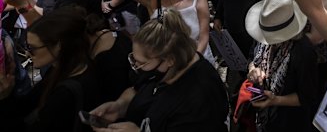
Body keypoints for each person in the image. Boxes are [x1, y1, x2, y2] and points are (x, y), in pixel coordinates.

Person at [90, 9, 229, 131]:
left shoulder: (200, 98)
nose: (137, 67)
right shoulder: (161, 70)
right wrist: (119, 106)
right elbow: (138, 89)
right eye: (135, 59)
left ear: (169, 60)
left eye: (142, 63)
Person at [0, 7, 101, 132]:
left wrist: (4, 99)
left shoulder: (65, 95)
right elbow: (27, 104)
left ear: (58, 46)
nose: (27, 54)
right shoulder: (62, 68)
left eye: (32, 48)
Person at [245, 0, 319, 131]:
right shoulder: (264, 34)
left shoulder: (303, 52)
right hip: (265, 117)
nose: (267, 40)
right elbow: (251, 57)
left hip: (289, 121)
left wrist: (275, 100)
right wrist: (253, 70)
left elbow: (308, 96)